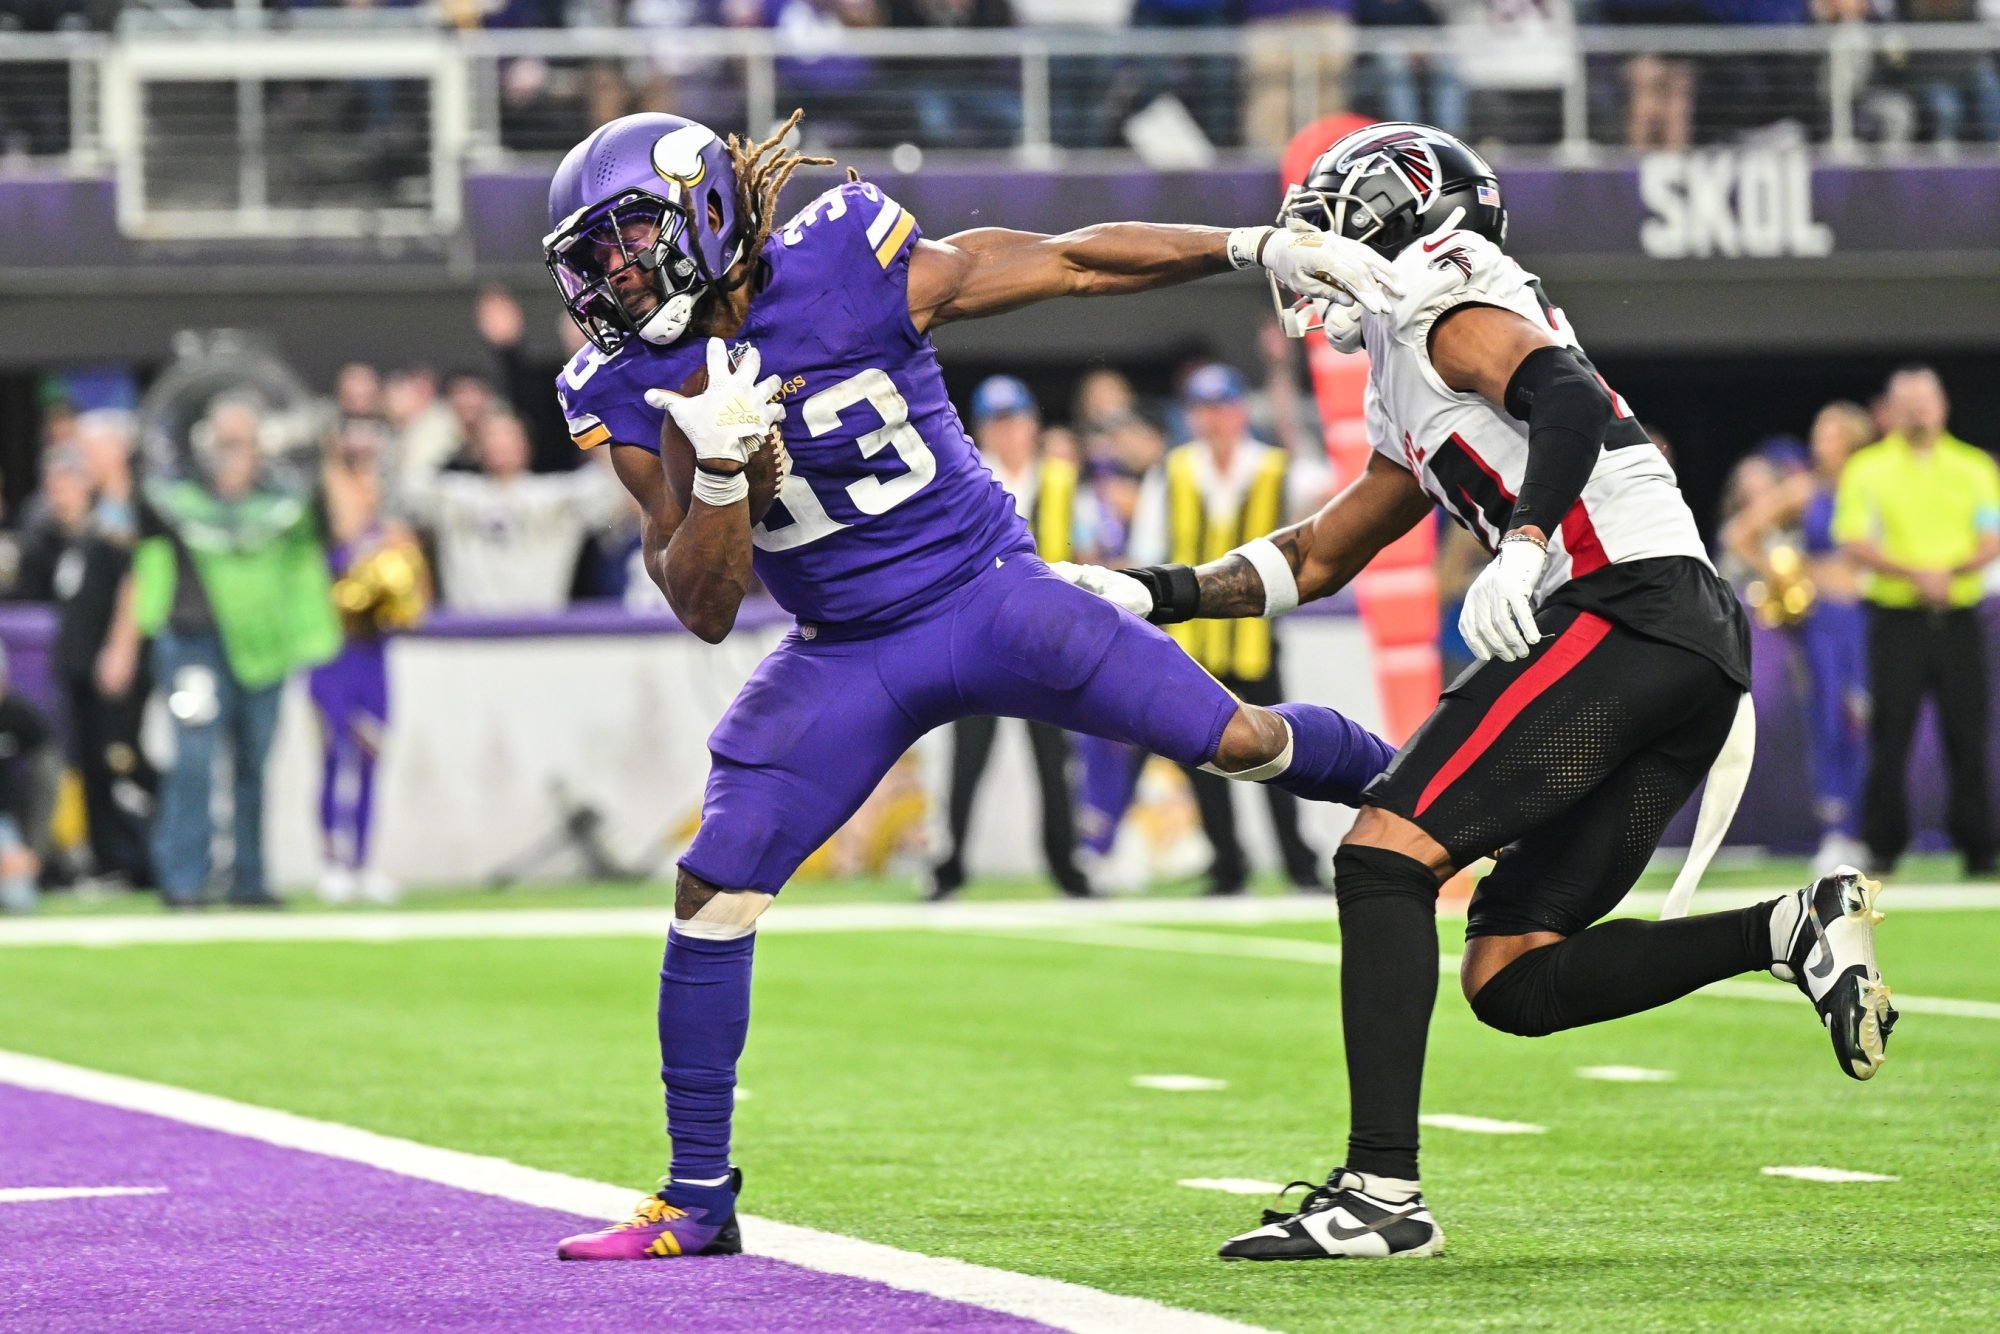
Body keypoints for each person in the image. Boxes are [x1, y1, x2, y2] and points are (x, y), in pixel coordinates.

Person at [540, 108, 1403, 1260]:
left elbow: (1070, 260)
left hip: (988, 589)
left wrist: (1249, 247)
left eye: (624, 242)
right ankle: (696, 1195)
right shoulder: (627, 379)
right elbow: (702, 604)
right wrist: (719, 476)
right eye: (590, 258)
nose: (609, 277)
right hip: (843, 642)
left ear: (700, 214)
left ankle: (1436, 790)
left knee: (1239, 741)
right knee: (715, 885)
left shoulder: (844, 253)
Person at [1063, 122, 1897, 1259]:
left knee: (1381, 854)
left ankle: (1378, 1193)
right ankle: (1782, 928)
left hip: (1623, 605)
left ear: (1409, 221)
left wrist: (1520, 538)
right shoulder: (1402, 377)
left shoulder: (1447, 306)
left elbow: (1564, 399)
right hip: (1673, 640)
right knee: (1511, 970)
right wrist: (1146, 591)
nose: (1315, 249)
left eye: (1336, 221)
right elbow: (1314, 556)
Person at [98, 396, 342, 909]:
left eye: (245, 443)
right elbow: (136, 554)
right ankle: (184, 879)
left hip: (263, 650)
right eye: (225, 442)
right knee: (193, 759)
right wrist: (125, 642)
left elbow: (334, 534)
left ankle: (249, 880)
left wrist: (328, 454)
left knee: (255, 763)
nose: (235, 455)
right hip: (193, 649)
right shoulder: (176, 501)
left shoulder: (282, 506)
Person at [1129, 362, 1328, 895]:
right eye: (1203, 409)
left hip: (1256, 636)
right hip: (1193, 641)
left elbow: (1330, 493)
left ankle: (1298, 864)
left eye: (1222, 407)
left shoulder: (1275, 468)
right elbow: (1147, 552)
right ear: (1191, 417)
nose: (1214, 420)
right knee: (1205, 756)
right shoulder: (1171, 472)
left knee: (1277, 752)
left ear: (1240, 411)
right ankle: (1227, 865)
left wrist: (1289, 407)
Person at [925, 375, 1093, 901]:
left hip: (1046, 640)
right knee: (967, 759)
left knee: (1053, 761)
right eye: (999, 423)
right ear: (982, 431)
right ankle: (948, 867)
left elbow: (1091, 551)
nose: (1010, 433)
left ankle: (1066, 866)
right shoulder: (967, 480)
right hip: (980, 639)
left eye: (1016, 420)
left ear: (1033, 425)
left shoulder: (1062, 481)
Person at [1834, 366, 2000, 878]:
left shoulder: (1974, 467)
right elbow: (1855, 539)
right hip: (1896, 620)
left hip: (1957, 617)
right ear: (1891, 410)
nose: (1917, 411)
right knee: (1890, 735)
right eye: (1906, 402)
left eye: (1925, 401)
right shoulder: (1867, 469)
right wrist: (1916, 574)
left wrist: (1947, 573)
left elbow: (1991, 535)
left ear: (1943, 405)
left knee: (1968, 736)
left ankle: (1979, 849)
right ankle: (1883, 847)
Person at [1723, 403, 1874, 873]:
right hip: (1826, 619)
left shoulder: (1874, 486)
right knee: (1829, 717)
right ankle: (1836, 832)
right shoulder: (1806, 489)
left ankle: (1870, 827)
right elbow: (1739, 533)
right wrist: (1790, 575)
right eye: (1817, 434)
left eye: (1829, 435)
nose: (1818, 444)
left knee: (1868, 719)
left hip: (1874, 614)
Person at [12, 445, 153, 888]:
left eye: (68, 484)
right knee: (90, 768)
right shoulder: (53, 544)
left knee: (122, 762)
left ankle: (141, 857)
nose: (59, 495)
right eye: (53, 486)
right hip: (75, 673)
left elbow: (134, 587)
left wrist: (119, 650)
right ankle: (107, 861)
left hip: (109, 670)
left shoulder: (110, 533)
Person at [312, 417, 430, 905]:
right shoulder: (320, 543)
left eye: (368, 482)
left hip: (373, 658)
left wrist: (398, 583)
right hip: (329, 657)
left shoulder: (393, 539)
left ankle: (364, 862)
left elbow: (417, 610)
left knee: (370, 760)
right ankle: (332, 863)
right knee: (333, 757)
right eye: (351, 482)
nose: (363, 492)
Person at [401, 410, 626, 612]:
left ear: (525, 445)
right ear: (478, 448)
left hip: (538, 633)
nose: (500, 443)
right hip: (470, 635)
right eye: (492, 436)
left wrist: (596, 421)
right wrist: (447, 428)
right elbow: (411, 489)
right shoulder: (455, 496)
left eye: (509, 436)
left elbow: (610, 489)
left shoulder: (555, 496)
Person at [0, 643, 58, 915]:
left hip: (3, 823)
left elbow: (47, 785)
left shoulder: (20, 717)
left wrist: (34, 851)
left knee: (20, 899)